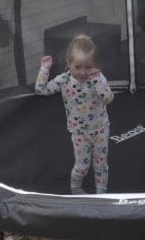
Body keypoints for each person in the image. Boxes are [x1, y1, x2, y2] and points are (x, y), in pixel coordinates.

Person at [36, 34, 115, 194]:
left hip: (100, 128)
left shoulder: (98, 78)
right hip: (79, 132)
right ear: (68, 63)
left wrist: (97, 81)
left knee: (101, 164)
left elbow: (108, 98)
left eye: (88, 67)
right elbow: (41, 90)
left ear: (94, 65)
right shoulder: (63, 80)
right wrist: (45, 69)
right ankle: (76, 188)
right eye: (78, 67)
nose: (83, 72)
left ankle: (102, 192)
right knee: (82, 166)